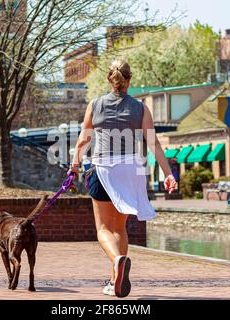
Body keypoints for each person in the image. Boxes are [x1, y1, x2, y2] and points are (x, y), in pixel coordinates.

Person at [69, 60, 177, 298]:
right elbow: (154, 144)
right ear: (129, 80)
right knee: (120, 227)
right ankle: (114, 279)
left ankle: (117, 261)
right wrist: (168, 174)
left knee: (103, 228)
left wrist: (74, 165)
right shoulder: (140, 108)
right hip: (130, 170)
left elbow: (83, 140)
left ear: (110, 79)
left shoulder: (95, 105)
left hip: (104, 169)